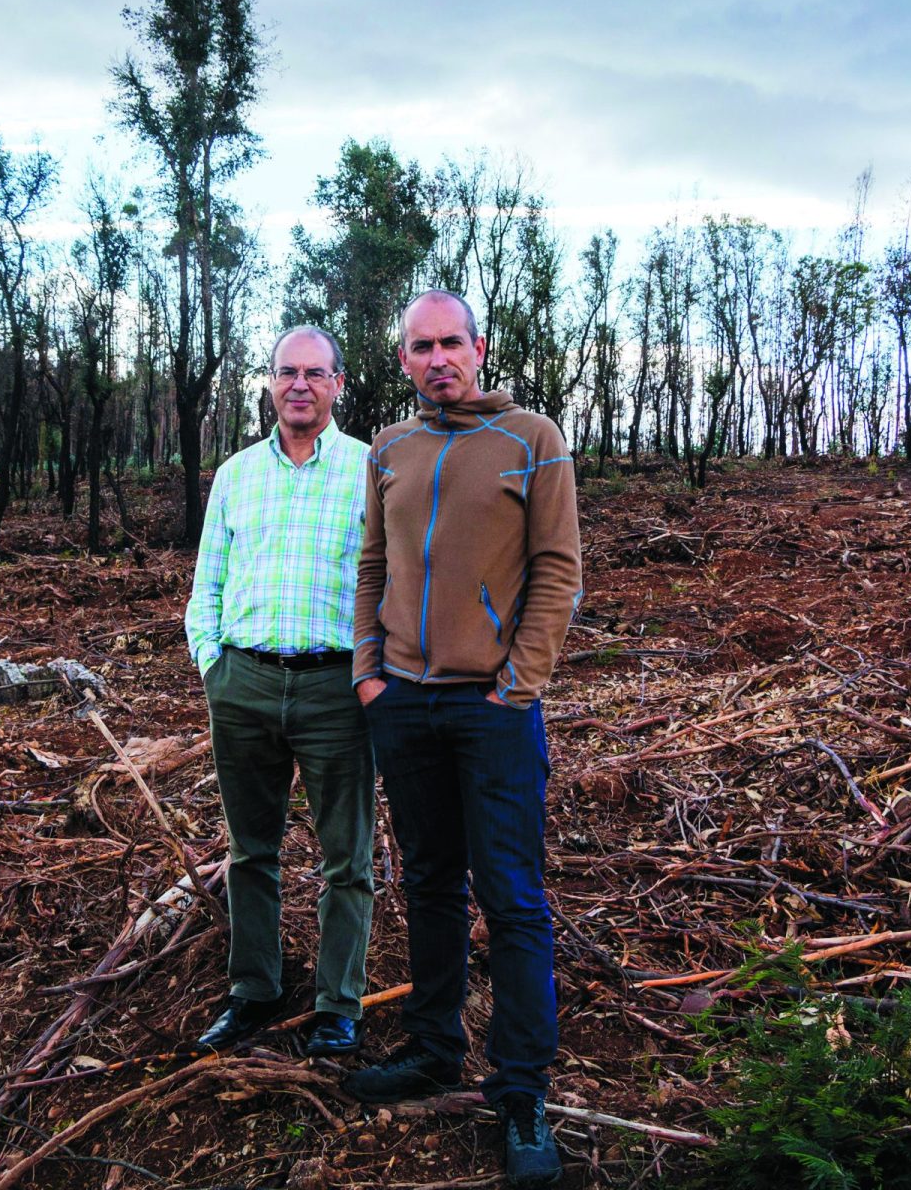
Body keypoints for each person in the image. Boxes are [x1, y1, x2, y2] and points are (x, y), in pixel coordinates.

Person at [344, 290, 581, 1188]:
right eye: (420, 346)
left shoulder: (532, 437)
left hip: (493, 709)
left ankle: (521, 1089)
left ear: (478, 349)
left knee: (513, 894)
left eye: (451, 343)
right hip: (402, 702)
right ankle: (434, 1048)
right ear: (402, 360)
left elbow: (559, 568)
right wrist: (371, 672)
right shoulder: (392, 450)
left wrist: (518, 685)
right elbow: (374, 564)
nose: (437, 358)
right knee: (431, 881)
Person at [184, 325, 375, 1058]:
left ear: (337, 383)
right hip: (245, 683)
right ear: (269, 383)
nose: (300, 384)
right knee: (249, 851)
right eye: (287, 372)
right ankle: (253, 991)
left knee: (346, 858)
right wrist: (214, 666)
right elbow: (208, 584)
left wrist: (369, 673)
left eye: (315, 373)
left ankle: (337, 1005)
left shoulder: (369, 469)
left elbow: (384, 582)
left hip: (337, 688)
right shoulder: (235, 475)